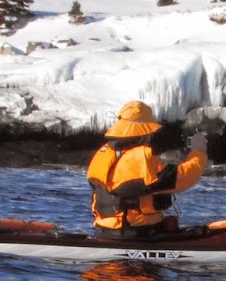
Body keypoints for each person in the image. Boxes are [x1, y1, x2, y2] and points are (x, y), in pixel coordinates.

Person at [87, 100, 208, 237]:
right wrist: (198, 152)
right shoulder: (140, 158)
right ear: (144, 132)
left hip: (104, 232)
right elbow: (184, 177)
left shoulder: (103, 154)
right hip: (137, 233)